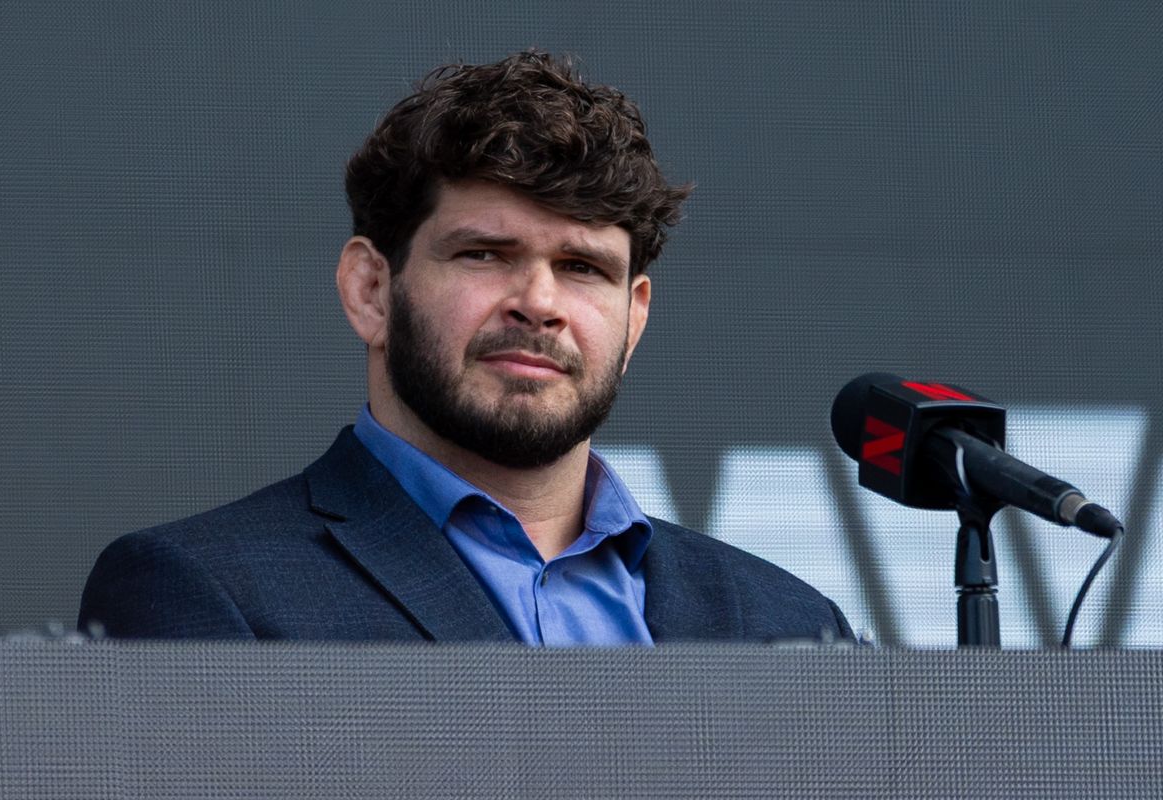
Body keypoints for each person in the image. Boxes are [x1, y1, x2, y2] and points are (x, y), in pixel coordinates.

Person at [79, 52, 852, 645]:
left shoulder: (788, 622)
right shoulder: (204, 593)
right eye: (484, 254)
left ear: (633, 319)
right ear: (370, 290)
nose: (539, 304)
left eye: (582, 268)